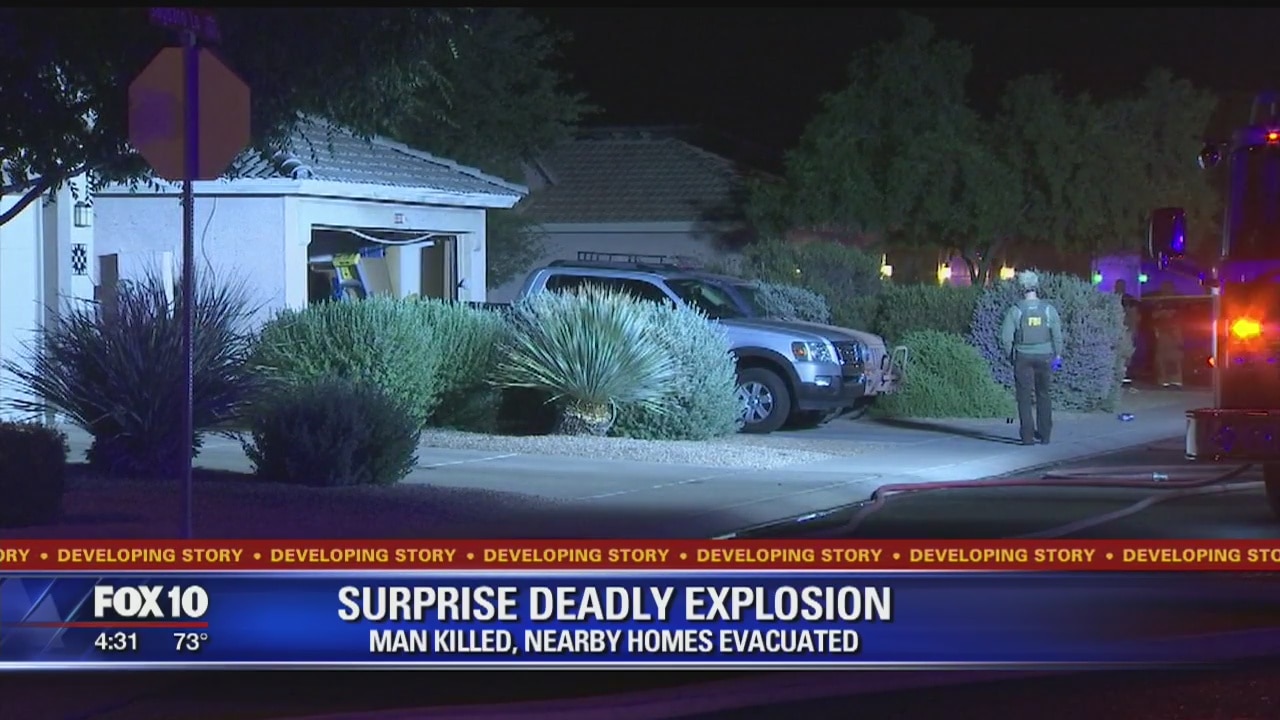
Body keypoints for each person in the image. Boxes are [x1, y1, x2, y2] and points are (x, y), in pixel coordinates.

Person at [1000, 271, 1065, 445]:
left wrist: (1011, 355)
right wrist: (1058, 354)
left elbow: (1006, 337)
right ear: (1037, 286)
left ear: (1021, 288)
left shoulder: (1016, 310)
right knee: (1044, 394)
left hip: (1022, 356)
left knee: (1024, 397)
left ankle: (1027, 437)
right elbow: (1057, 335)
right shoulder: (1048, 310)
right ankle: (1045, 434)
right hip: (1045, 356)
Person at [1150, 280, 1184, 388]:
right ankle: (1163, 380)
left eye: (1168, 288)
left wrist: (1169, 314)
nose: (1166, 290)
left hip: (1174, 332)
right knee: (1161, 356)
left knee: (1175, 356)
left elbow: (1181, 315)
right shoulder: (1158, 302)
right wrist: (1162, 313)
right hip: (1161, 332)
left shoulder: (1178, 301)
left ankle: (1176, 380)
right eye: (1164, 288)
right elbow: (1154, 315)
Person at [1113, 279, 1140, 383]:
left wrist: (1134, 329)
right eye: (1118, 285)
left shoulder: (1130, 300)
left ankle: (1126, 375)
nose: (1119, 288)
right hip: (1114, 331)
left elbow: (1135, 316)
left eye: (1121, 286)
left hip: (1127, 331)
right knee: (1115, 352)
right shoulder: (1111, 299)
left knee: (1126, 353)